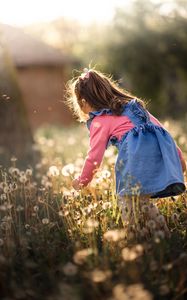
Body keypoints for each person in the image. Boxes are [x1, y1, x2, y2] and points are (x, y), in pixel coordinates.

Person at [66, 68, 186, 236]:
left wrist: (82, 181)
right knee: (142, 202)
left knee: (127, 203)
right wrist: (178, 157)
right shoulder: (133, 107)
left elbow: (94, 157)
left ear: (83, 101)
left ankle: (135, 239)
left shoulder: (100, 120)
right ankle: (164, 236)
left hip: (137, 163)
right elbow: (161, 131)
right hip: (158, 160)